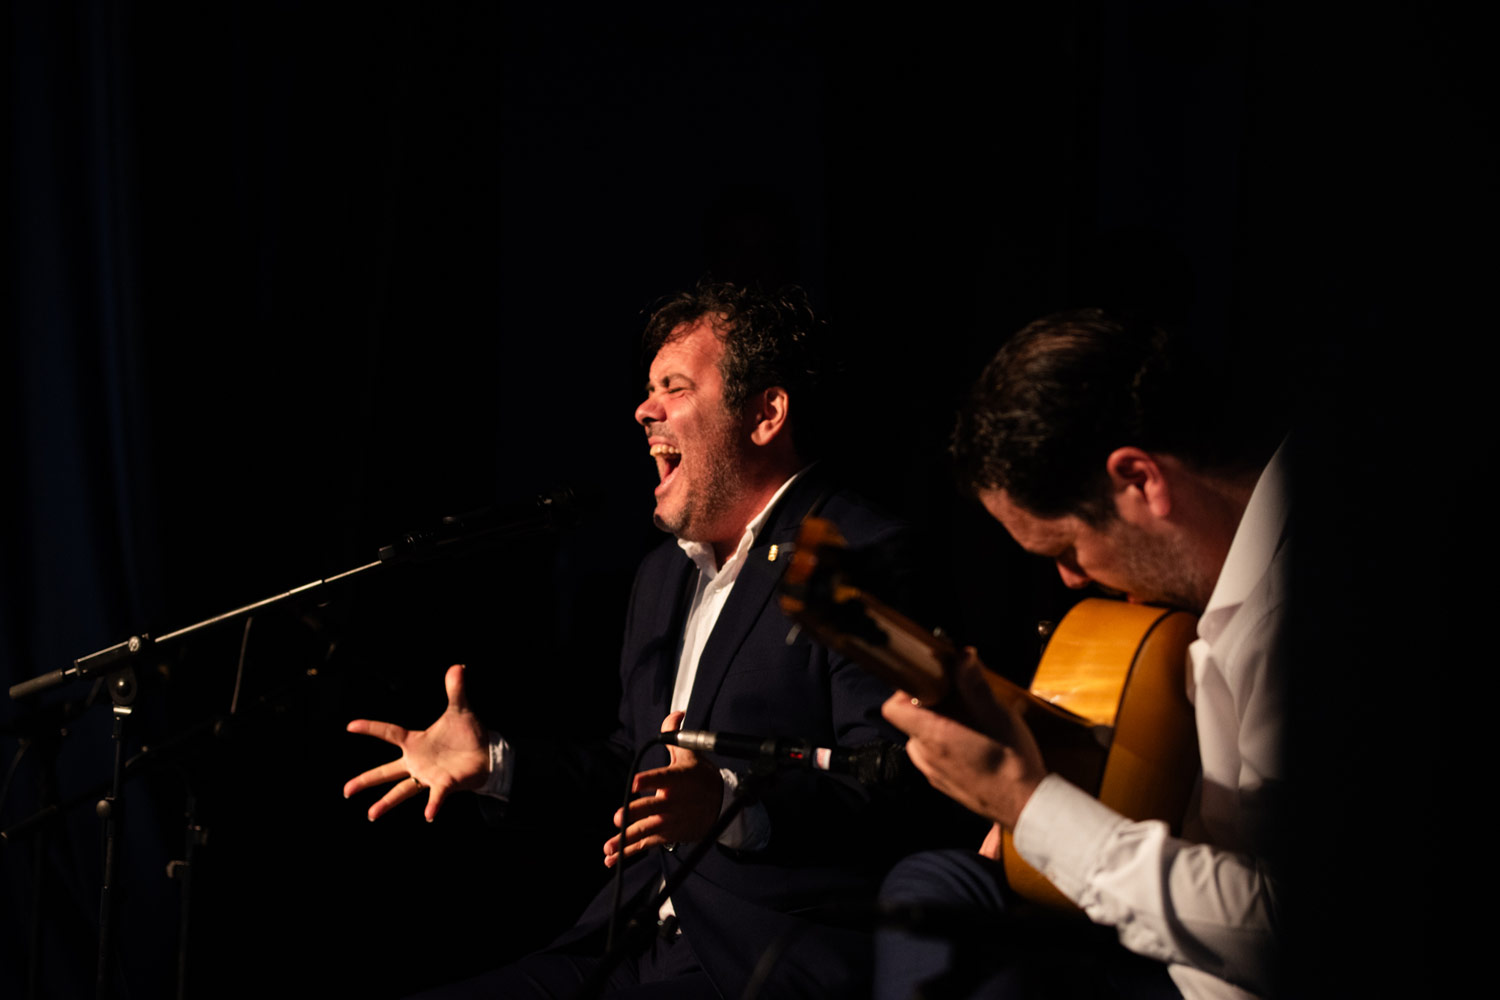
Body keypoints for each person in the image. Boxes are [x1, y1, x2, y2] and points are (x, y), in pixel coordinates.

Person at [343, 281, 921, 998]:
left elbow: (903, 781)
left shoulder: (846, 553)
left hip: (759, 958)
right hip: (624, 940)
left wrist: (734, 804)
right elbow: (634, 772)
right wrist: (496, 764)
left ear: (766, 414)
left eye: (673, 387)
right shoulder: (661, 577)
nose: (644, 410)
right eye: (648, 390)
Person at [877, 309, 1284, 1000]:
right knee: (935, 885)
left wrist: (1028, 804)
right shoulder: (1194, 592)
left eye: (1066, 550)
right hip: (1162, 930)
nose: (1070, 579)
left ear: (1140, 480)